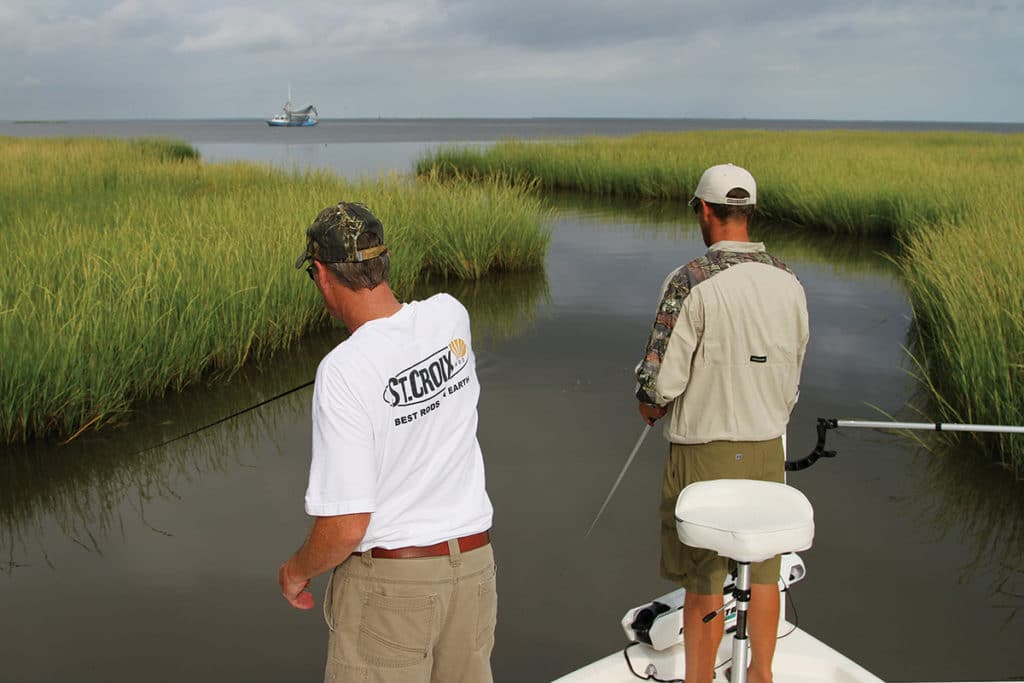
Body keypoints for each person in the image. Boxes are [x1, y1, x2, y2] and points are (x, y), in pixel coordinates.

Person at [279, 201, 497, 683]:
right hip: (475, 572)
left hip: (393, 589)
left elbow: (347, 526)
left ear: (320, 273)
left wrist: (295, 572)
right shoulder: (451, 315)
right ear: (384, 261)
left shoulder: (342, 371)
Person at [634, 164, 809, 683]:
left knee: (704, 578)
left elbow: (657, 386)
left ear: (705, 211)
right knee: (765, 574)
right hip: (766, 450)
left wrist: (649, 404)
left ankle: (700, 679)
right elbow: (796, 370)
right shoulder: (791, 281)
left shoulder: (689, 281)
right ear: (748, 212)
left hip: (702, 453)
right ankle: (762, 674)